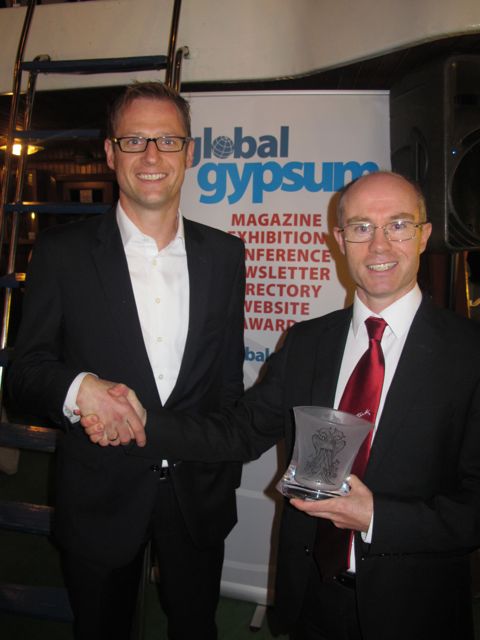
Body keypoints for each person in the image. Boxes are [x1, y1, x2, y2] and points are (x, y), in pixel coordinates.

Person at [83, 171, 480, 640]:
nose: (379, 245)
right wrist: (143, 421)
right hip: (311, 600)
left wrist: (375, 516)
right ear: (340, 240)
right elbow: (237, 431)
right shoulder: (307, 342)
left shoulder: (469, 355)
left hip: (415, 609)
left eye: (397, 225)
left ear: (424, 235)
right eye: (361, 227)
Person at [7, 82, 246, 640]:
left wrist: (223, 474)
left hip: (197, 495)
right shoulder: (62, 253)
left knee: (196, 628)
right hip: (100, 494)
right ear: (110, 153)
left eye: (168, 140)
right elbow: (23, 374)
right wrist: (80, 388)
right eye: (134, 140)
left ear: (190, 152)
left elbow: (226, 380)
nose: (152, 156)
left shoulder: (226, 254)